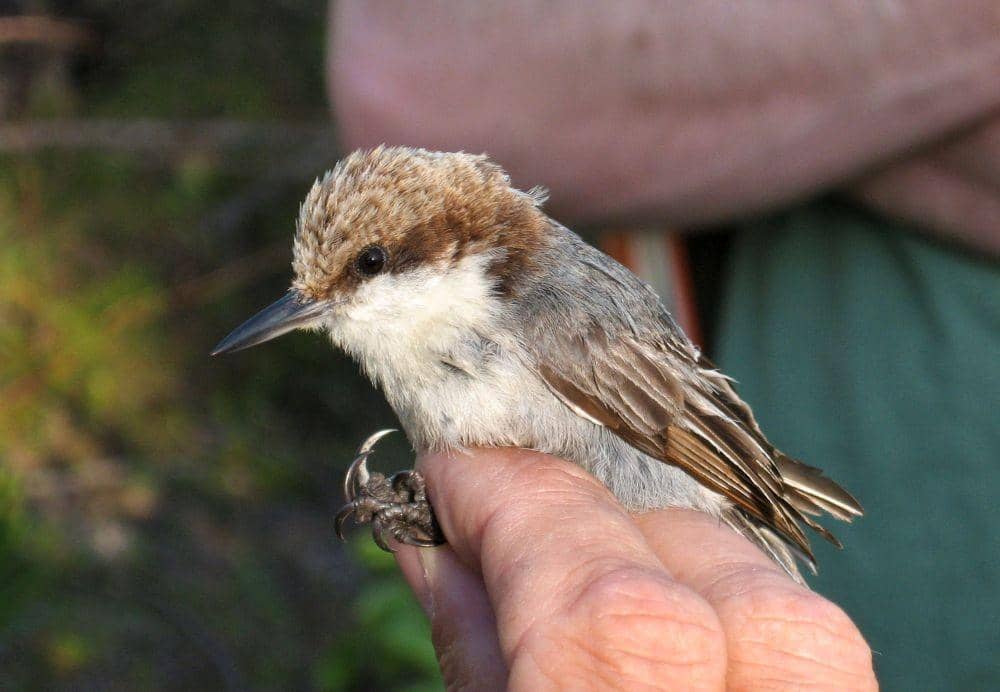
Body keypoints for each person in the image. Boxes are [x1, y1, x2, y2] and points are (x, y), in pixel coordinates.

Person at [329, 3, 1000, 688]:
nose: (325, 308)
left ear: (452, 245)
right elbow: (402, 70)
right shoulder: (434, 342)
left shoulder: (545, 311)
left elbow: (680, 432)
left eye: (366, 271)